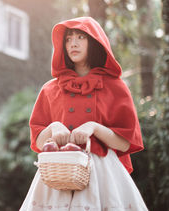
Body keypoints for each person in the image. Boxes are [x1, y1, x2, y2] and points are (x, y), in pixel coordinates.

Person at [20, 17, 148, 210]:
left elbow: (124, 142)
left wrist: (94, 128)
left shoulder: (115, 87)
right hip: (58, 174)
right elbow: (38, 143)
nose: (73, 43)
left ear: (94, 42)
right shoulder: (49, 89)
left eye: (80, 37)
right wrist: (54, 127)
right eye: (68, 39)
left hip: (102, 176)